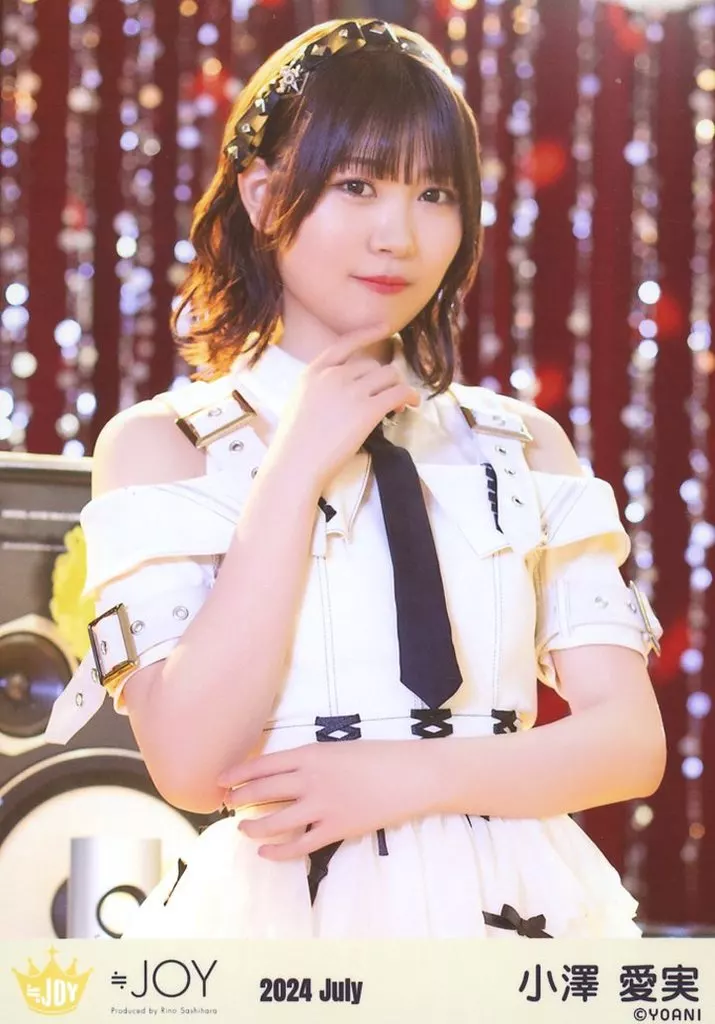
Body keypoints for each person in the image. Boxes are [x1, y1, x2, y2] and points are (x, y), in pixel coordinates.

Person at [45, 18, 666, 939]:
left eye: (433, 193)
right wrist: (292, 469)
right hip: (290, 910)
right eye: (356, 185)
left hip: (523, 910)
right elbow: (189, 764)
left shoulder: (519, 443)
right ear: (262, 194)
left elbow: (628, 743)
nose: (397, 235)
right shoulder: (164, 444)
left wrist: (403, 776)